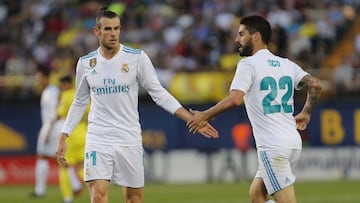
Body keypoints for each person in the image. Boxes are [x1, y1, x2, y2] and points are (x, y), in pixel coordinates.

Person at [56, 6, 218, 203]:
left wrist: (191, 118)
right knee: (97, 196)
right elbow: (80, 101)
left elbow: (159, 93)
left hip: (129, 137)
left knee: (134, 199)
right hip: (98, 137)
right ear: (96, 31)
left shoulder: (136, 58)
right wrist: (64, 135)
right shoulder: (85, 63)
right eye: (107, 29)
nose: (113, 34)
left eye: (117, 28)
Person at [187, 15, 322, 203]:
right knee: (257, 195)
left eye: (241, 34)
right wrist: (306, 112)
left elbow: (235, 99)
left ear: (256, 36)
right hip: (292, 142)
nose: (237, 40)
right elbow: (315, 85)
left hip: (272, 146)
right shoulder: (286, 64)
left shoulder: (248, 64)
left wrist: (205, 115)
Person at [57, 75, 88, 203]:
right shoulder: (82, 94)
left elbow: (59, 114)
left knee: (65, 166)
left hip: (71, 134)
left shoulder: (65, 96)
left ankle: (68, 198)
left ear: (65, 84)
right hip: (85, 132)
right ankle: (95, 188)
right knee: (83, 166)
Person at [31, 65, 61, 197]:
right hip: (51, 126)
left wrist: (47, 130)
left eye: (39, 77)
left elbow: (55, 113)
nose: (37, 80)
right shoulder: (48, 91)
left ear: (44, 77)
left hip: (53, 126)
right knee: (56, 159)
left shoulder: (51, 92)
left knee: (44, 156)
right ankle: (76, 185)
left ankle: (40, 190)